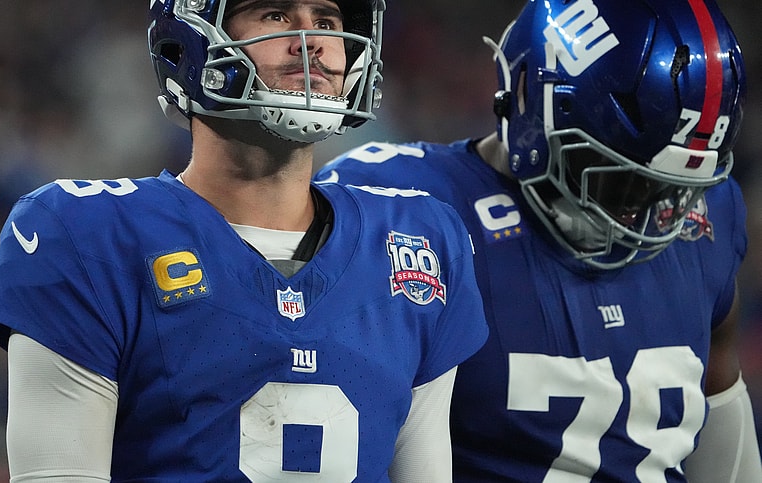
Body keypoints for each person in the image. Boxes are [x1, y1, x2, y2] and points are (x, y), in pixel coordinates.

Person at [0, 0, 490, 481]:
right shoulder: (88, 234)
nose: (311, 40)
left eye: (327, 21)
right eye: (275, 14)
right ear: (190, 41)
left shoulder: (417, 238)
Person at [315, 0, 762, 481]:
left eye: (670, 189)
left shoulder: (708, 217)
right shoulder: (402, 203)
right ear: (531, 98)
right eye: (620, 179)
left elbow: (720, 402)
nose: (641, 212)